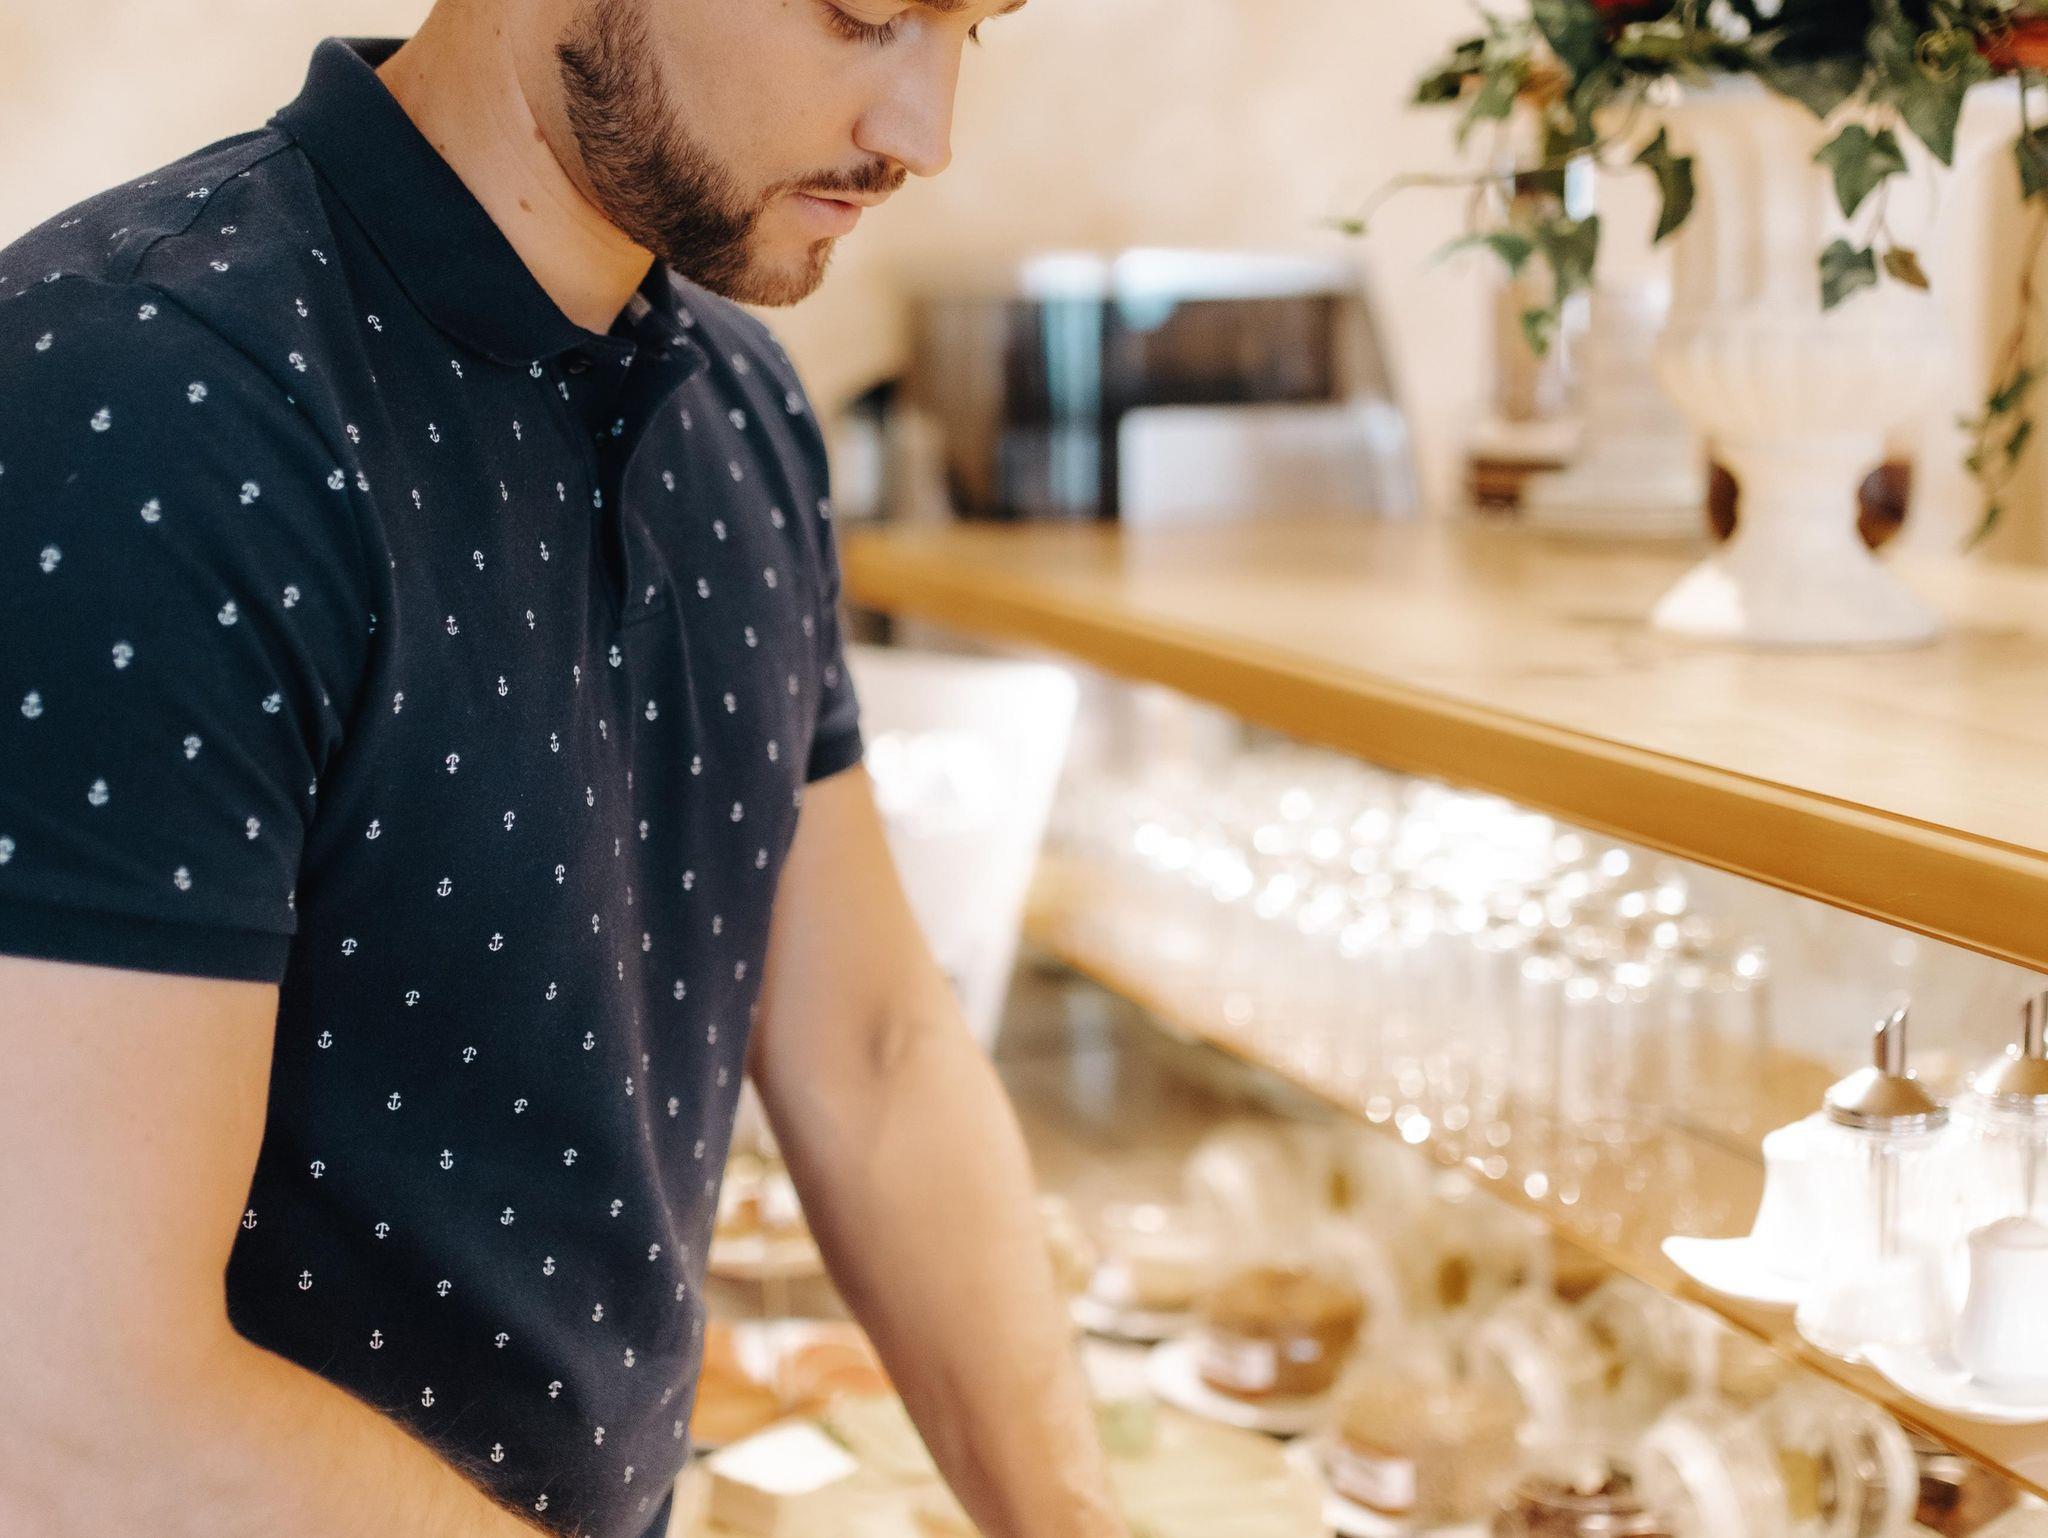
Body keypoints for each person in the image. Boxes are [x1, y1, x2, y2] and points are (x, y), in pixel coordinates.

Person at [0, 4, 1125, 1536]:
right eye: (864, 11)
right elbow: (73, 1407)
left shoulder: (741, 405)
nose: (922, 136)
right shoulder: (134, 405)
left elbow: (875, 1053)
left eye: (967, 30)